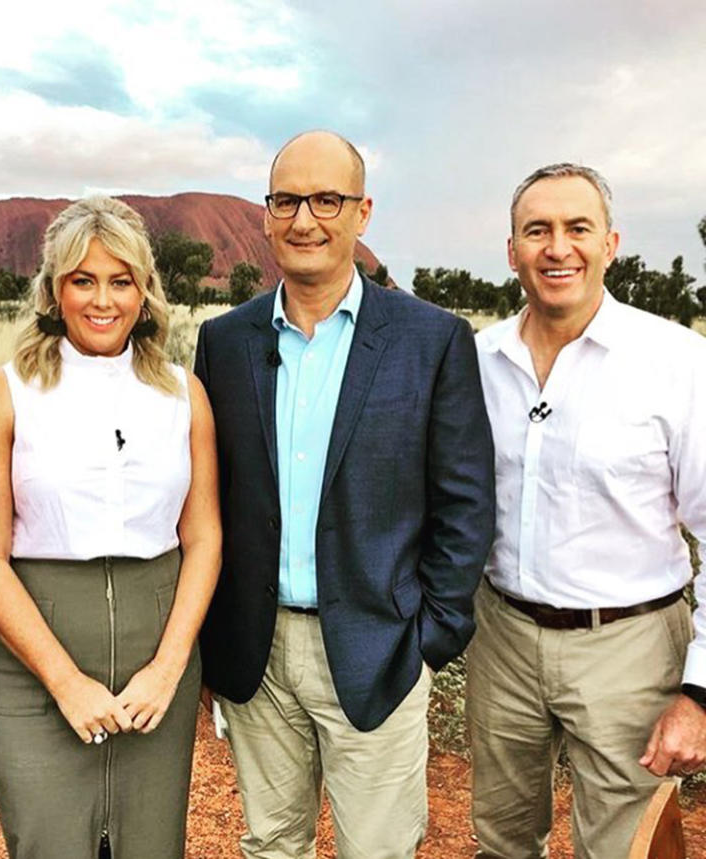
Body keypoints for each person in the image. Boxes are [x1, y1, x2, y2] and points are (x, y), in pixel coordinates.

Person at [194, 129, 496, 859]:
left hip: (379, 645)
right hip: (257, 654)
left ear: (362, 212)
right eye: (287, 200)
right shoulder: (225, 342)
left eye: (326, 199)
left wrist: (430, 639)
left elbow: (465, 503)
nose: (305, 219)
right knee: (271, 843)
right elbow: (210, 496)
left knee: (380, 848)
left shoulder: (432, 340)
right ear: (266, 217)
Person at [0, 195, 220, 859]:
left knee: (148, 846)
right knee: (48, 843)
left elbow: (205, 536)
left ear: (144, 290)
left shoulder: (183, 395)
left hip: (155, 658)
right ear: (54, 289)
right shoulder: (4, 393)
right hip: (35, 662)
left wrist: (168, 666)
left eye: (121, 280)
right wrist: (65, 680)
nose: (102, 300)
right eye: (83, 279)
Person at [468, 162, 706, 859]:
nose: (557, 247)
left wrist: (699, 691)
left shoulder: (674, 362)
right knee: (502, 840)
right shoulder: (477, 360)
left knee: (627, 846)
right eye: (536, 230)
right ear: (512, 251)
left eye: (578, 228)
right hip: (502, 635)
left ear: (612, 244)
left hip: (628, 647)